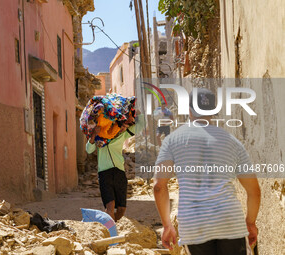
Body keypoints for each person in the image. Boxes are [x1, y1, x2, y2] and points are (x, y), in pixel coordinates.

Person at [153, 88, 261, 255]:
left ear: (189, 111)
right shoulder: (232, 141)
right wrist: (250, 222)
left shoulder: (172, 140)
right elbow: (254, 191)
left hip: (194, 225)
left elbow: (159, 186)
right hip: (229, 222)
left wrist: (167, 225)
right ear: (213, 111)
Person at [86, 113, 144, 221]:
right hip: (104, 173)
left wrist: (138, 115)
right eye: (121, 126)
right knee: (110, 206)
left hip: (119, 173)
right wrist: (93, 134)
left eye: (124, 127)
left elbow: (140, 125)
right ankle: (111, 232)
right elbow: (89, 150)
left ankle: (111, 225)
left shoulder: (123, 135)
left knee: (121, 209)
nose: (122, 129)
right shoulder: (99, 137)